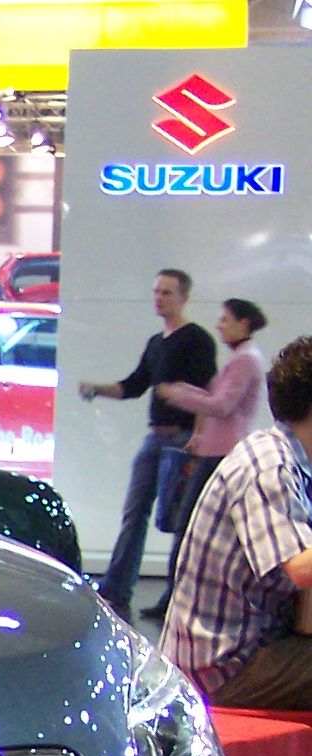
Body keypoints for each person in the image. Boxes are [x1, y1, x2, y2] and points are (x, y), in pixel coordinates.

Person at [162, 335, 312, 708]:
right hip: (221, 667)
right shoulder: (269, 464)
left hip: (249, 649)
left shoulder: (292, 462)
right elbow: (299, 569)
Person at [79, 268, 217, 620]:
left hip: (182, 438)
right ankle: (116, 587)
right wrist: (98, 388)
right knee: (135, 511)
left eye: (167, 292)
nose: (159, 298)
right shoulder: (157, 343)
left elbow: (207, 392)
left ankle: (175, 597)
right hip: (156, 437)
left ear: (183, 297)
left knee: (178, 519)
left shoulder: (197, 339)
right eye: (156, 292)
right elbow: (135, 385)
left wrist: (199, 436)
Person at [144, 297, 270, 615]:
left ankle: (175, 598)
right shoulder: (244, 358)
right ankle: (177, 596)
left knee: (189, 526)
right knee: (192, 526)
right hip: (216, 451)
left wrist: (177, 394)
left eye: (225, 320)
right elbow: (216, 399)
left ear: (243, 324)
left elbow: (221, 405)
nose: (220, 326)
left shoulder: (244, 360)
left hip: (219, 454)